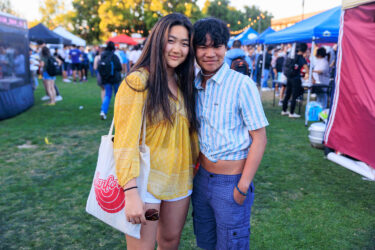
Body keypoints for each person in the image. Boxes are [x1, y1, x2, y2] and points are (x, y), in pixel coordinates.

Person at [113, 13, 198, 249]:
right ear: (158, 39)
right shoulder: (138, 82)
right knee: (143, 246)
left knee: (170, 241)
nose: (177, 49)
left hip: (179, 181)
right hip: (146, 187)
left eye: (184, 43)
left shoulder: (184, 83)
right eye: (171, 40)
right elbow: (124, 141)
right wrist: (130, 194)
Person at [192, 17, 268, 250]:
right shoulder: (193, 85)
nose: (210, 53)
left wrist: (242, 186)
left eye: (216, 46)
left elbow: (260, 138)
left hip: (231, 182)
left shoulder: (241, 85)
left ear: (226, 48)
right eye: (203, 46)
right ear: (194, 49)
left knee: (231, 244)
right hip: (201, 179)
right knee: (205, 241)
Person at [281, 43, 309, 118]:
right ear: (305, 50)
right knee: (294, 96)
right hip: (296, 78)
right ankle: (292, 112)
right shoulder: (301, 58)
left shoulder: (292, 56)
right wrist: (308, 74)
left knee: (287, 94)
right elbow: (306, 67)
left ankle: (284, 110)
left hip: (289, 77)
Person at [99, 41, 122, 120]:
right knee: (118, 95)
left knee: (107, 95)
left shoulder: (103, 56)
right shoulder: (114, 56)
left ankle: (103, 111)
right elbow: (119, 67)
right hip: (115, 79)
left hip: (106, 79)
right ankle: (120, 112)